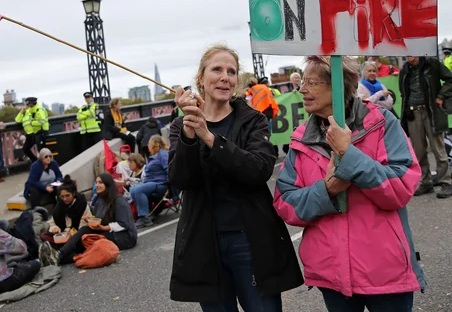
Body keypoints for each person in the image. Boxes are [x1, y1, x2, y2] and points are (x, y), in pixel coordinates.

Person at [274, 55, 426, 311]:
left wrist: (350, 155)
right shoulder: (301, 139)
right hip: (331, 275)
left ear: (339, 86)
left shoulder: (381, 122)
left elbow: (400, 189)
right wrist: (328, 190)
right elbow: (284, 202)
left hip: (385, 273)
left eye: (312, 82)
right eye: (304, 82)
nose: (302, 89)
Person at [168, 44, 303, 311]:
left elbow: (259, 169)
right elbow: (181, 180)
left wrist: (209, 137)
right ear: (201, 78)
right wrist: (190, 135)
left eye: (231, 71)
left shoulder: (253, 120)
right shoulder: (181, 125)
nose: (225, 77)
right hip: (204, 242)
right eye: (216, 69)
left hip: (249, 240)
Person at [46, 172, 137, 265]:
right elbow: (98, 218)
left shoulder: (119, 201)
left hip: (124, 236)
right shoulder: (101, 199)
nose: (97, 185)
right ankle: (60, 255)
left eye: (100, 182)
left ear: (108, 184)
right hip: (107, 231)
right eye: (96, 182)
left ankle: (60, 257)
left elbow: (123, 224)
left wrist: (103, 228)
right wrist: (89, 220)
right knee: (84, 233)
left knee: (88, 241)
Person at [399, 56, 452, 199]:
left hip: (431, 112)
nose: (410, 56)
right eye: (407, 53)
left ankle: (446, 182)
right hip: (413, 113)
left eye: (413, 52)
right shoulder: (404, 69)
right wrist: (405, 112)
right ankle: (426, 182)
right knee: (419, 151)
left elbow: (450, 79)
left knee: (438, 149)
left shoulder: (432, 64)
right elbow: (403, 93)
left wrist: (441, 96)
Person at [130, 135, 169, 229]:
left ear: (154, 144)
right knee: (133, 189)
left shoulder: (163, 154)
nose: (147, 145)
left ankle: (144, 218)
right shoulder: (155, 156)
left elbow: (169, 169)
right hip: (152, 182)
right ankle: (147, 214)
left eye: (149, 143)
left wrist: (171, 185)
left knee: (138, 190)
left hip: (161, 183)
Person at [15, 97, 49, 163]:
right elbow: (17, 120)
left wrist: (31, 123)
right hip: (31, 133)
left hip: (39, 132)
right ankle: (37, 162)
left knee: (42, 150)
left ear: (31, 103)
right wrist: (21, 112)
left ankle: (45, 164)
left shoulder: (36, 110)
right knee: (26, 148)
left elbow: (42, 121)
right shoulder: (27, 111)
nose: (26, 106)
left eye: (27, 104)